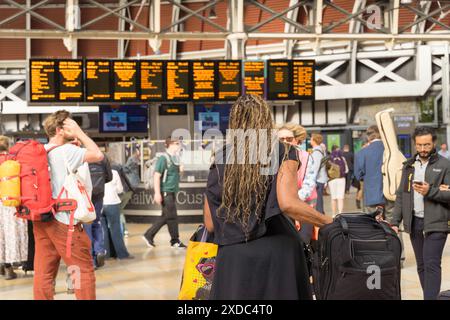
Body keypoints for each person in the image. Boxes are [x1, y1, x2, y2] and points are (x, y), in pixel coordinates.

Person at [203, 95, 332, 300]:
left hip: (233, 259)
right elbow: (288, 203)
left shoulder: (220, 157)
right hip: (277, 255)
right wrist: (329, 222)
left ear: (235, 122)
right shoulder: (283, 151)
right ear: (266, 120)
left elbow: (210, 223)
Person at [34, 110, 103, 300]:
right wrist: (80, 132)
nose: (73, 127)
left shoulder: (42, 151)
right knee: (81, 270)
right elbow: (97, 155)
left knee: (44, 273)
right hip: (65, 221)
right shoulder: (67, 151)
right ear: (59, 130)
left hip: (42, 219)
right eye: (69, 125)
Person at [392, 126, 450, 300]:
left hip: (437, 222)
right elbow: (401, 195)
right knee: (422, 265)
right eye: (419, 145)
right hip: (415, 222)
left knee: (432, 264)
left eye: (426, 145)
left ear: (434, 143)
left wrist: (430, 191)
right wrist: (395, 221)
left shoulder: (445, 165)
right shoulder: (408, 166)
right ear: (414, 144)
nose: (423, 149)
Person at [143, 137, 186, 248]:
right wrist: (157, 193)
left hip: (172, 191)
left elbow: (177, 175)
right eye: (176, 143)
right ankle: (173, 240)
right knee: (171, 216)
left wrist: (181, 170)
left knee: (167, 216)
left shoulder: (175, 158)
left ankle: (152, 236)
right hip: (166, 191)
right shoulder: (163, 158)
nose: (178, 145)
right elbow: (157, 176)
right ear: (169, 145)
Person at [277, 124, 317, 244]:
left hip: (304, 206)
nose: (285, 142)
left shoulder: (306, 157)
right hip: (281, 209)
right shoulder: (272, 158)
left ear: (296, 140)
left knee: (303, 242)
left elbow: (308, 184)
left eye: (289, 139)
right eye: (281, 139)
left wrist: (292, 202)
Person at [0, 135, 28, 280]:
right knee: (9, 235)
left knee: (1, 236)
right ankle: (8, 268)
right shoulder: (13, 161)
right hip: (10, 204)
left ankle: (2, 266)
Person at [85, 155, 113, 268]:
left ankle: (90, 260)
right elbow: (109, 177)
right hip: (99, 194)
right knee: (96, 222)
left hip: (85, 195)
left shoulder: (79, 155)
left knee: (87, 225)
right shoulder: (102, 157)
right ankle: (99, 251)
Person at [102, 166, 134, 260]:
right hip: (112, 203)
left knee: (103, 230)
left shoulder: (93, 171)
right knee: (115, 229)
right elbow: (120, 189)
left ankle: (107, 254)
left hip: (99, 204)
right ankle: (122, 254)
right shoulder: (114, 172)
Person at [121, 149, 140, 237]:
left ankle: (124, 230)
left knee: (118, 210)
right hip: (132, 186)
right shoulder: (136, 160)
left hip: (128, 186)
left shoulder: (131, 159)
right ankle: (124, 230)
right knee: (119, 210)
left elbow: (125, 168)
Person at [310, 134, 328, 214]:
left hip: (318, 179)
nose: (310, 141)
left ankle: (320, 217)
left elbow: (315, 167)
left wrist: (311, 179)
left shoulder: (316, 152)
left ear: (314, 141)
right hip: (321, 178)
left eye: (311, 139)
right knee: (319, 199)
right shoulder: (321, 150)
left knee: (318, 201)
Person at [328, 146, 348, 216]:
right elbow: (346, 170)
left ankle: (333, 214)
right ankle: (340, 214)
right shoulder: (342, 158)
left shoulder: (330, 158)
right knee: (340, 198)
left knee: (333, 198)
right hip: (341, 179)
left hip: (332, 180)